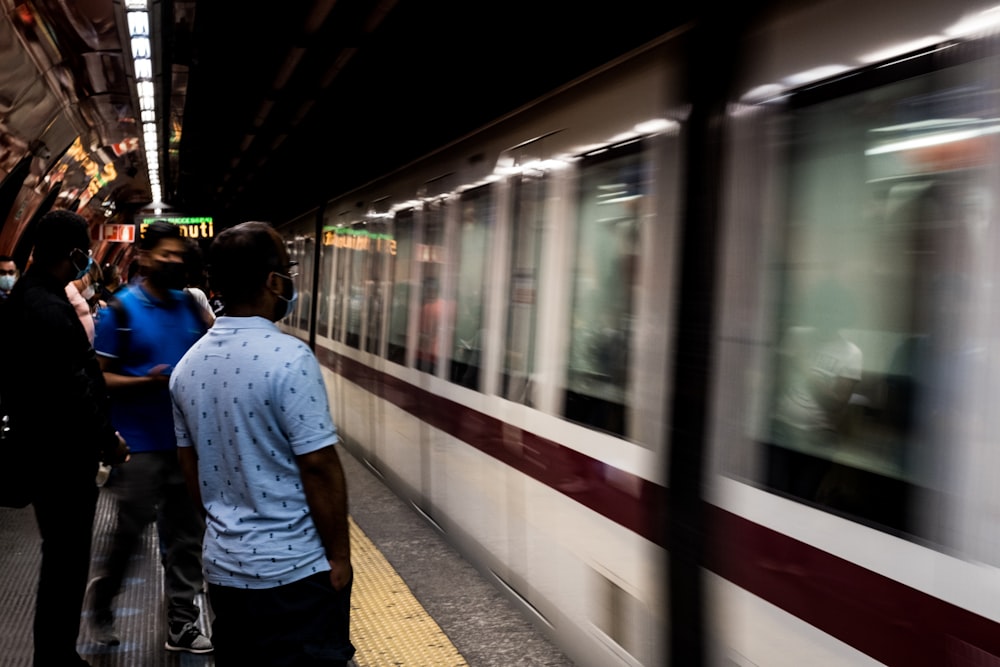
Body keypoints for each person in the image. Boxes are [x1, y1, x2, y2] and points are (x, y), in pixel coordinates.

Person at [170, 221, 355, 666]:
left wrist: (224, 531)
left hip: (225, 573)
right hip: (295, 576)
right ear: (274, 282)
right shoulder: (290, 359)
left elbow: (190, 468)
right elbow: (318, 467)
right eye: (287, 273)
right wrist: (340, 559)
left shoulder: (185, 369)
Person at [0, 209, 128, 666]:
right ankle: (55, 657)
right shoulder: (50, 308)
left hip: (42, 449)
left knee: (61, 559)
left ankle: (55, 653)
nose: (89, 261)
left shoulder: (27, 298)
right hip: (61, 457)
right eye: (85, 252)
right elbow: (75, 387)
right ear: (73, 254)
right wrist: (108, 441)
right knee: (66, 562)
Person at [89, 221, 212, 653]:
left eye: (179, 254)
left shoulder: (191, 308)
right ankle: (103, 599)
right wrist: (149, 381)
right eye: (165, 254)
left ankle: (182, 621)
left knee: (186, 536)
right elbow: (101, 380)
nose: (174, 261)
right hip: (138, 443)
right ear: (143, 256)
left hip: (185, 444)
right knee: (131, 531)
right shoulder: (119, 311)